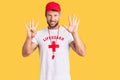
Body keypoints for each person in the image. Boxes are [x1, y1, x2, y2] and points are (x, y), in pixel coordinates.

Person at [22, 1, 86, 80]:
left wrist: (75, 33)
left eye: (55, 15)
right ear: (45, 15)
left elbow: (82, 52)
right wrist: (29, 38)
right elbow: (25, 53)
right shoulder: (38, 34)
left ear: (60, 15)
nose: (52, 19)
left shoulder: (68, 33)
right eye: (49, 15)